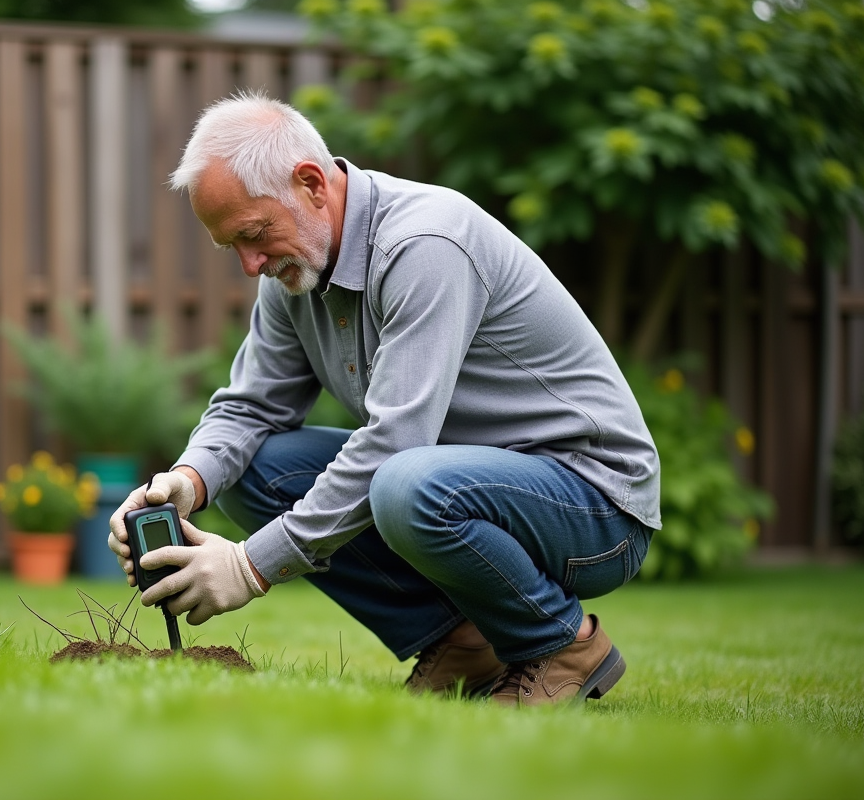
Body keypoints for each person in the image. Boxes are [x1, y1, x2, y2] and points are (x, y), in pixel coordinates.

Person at [108, 91, 660, 707]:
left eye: (255, 234)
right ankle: (463, 641)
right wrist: (186, 481)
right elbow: (249, 410)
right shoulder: (295, 271)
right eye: (231, 246)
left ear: (312, 183)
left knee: (404, 482)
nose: (249, 264)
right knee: (249, 469)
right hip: (462, 486)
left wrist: (249, 566)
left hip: (594, 505)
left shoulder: (426, 243)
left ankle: (562, 644)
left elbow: (397, 444)